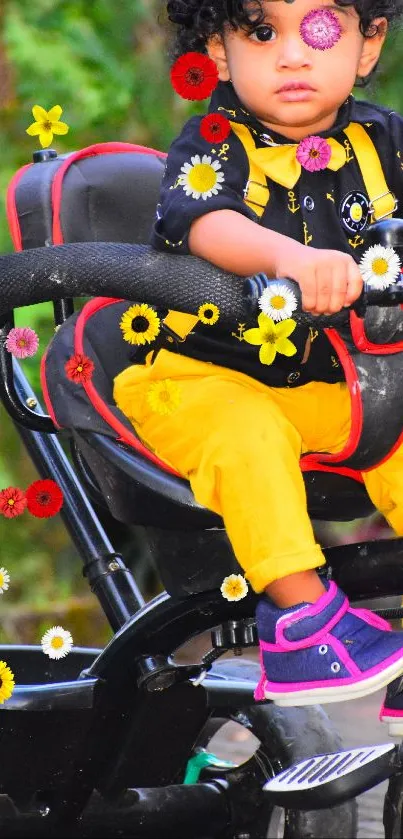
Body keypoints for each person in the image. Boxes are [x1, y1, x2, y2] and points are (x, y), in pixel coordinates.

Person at [114, 0, 403, 707]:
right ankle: (301, 619)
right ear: (217, 50)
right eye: (262, 32)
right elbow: (202, 222)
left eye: (320, 30)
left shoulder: (384, 142)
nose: (292, 55)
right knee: (245, 430)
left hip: (332, 386)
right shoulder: (214, 139)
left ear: (367, 46)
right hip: (196, 378)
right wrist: (291, 259)